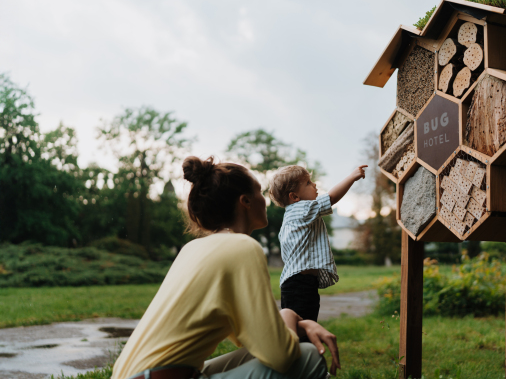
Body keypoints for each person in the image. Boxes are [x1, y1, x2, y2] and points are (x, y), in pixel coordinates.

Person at [111, 156, 340, 379]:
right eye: (259, 192)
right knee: (307, 356)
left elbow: (257, 339)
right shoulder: (243, 247)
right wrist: (291, 315)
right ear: (245, 201)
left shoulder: (191, 249)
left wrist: (298, 324)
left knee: (257, 353)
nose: (265, 200)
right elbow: (282, 357)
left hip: (134, 374)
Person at [268, 165, 367, 326]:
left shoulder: (294, 213)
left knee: (301, 325)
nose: (314, 185)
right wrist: (351, 177)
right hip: (299, 284)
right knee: (304, 325)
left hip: (299, 283)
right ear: (294, 196)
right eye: (308, 183)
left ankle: (301, 349)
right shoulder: (301, 210)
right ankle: (302, 350)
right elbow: (331, 198)